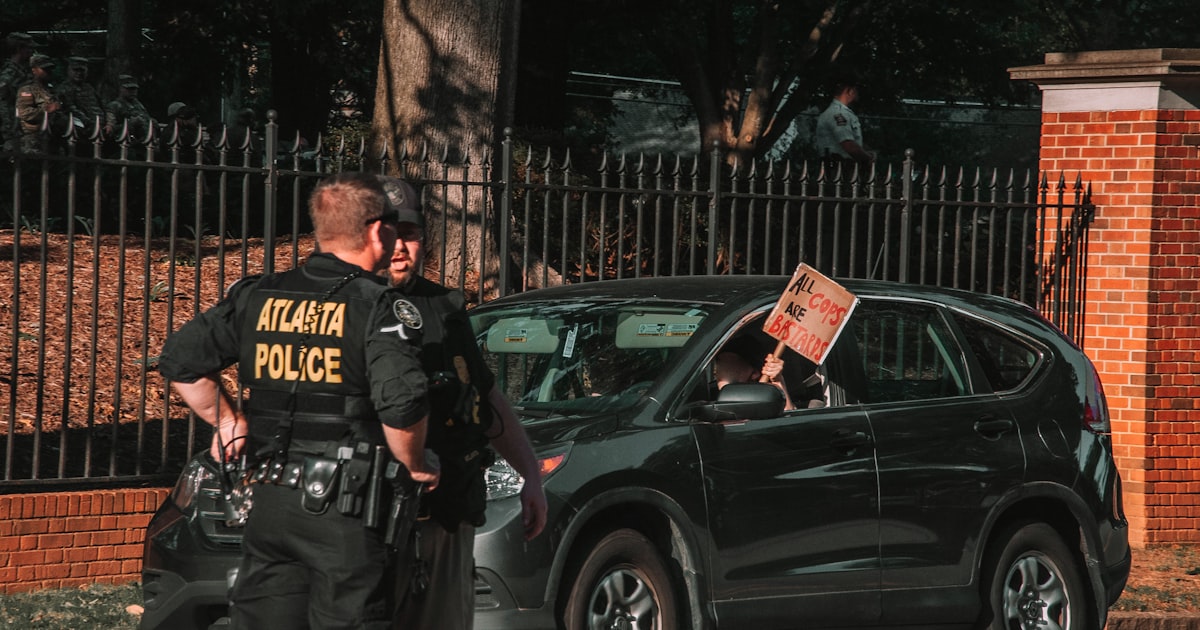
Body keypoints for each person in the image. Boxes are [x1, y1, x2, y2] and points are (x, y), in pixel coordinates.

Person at [158, 172, 441, 630]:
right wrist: (416, 463)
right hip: (347, 511)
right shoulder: (378, 306)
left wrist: (227, 421)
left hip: (268, 502)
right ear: (376, 231)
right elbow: (402, 403)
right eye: (393, 225)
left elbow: (180, 360)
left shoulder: (259, 294)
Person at [379, 175, 547, 630]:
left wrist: (530, 474)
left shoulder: (445, 309)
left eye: (410, 234)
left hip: (445, 515)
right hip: (368, 519)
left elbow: (484, 396)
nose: (399, 248)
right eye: (389, 234)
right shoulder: (349, 305)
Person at [714, 335, 794, 410]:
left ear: (754, 373)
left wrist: (778, 381)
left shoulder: (767, 398)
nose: (718, 370)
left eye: (731, 364)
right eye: (719, 363)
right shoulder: (710, 396)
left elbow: (787, 415)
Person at [814, 71, 874, 170]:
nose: (857, 93)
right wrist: (868, 158)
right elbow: (848, 144)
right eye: (856, 89)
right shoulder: (838, 113)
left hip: (840, 166)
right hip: (839, 168)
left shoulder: (840, 112)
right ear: (850, 91)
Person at [14, 53, 62, 154]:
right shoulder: (27, 89)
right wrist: (47, 109)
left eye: (50, 69)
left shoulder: (52, 89)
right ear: (34, 70)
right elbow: (24, 113)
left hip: (53, 136)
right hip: (34, 138)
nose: (48, 72)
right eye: (44, 69)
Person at [0, 32, 37, 151]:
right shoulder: (10, 72)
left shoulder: (24, 71)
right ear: (19, 49)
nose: (32, 52)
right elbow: (3, 99)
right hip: (14, 125)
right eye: (29, 48)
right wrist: (9, 128)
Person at [55, 56, 104, 130]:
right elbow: (70, 109)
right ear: (69, 70)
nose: (79, 73)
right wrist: (89, 123)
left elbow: (101, 105)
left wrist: (108, 123)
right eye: (76, 70)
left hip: (99, 125)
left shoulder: (89, 88)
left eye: (82, 71)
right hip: (81, 127)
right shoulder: (64, 88)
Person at [104, 74, 153, 140]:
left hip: (144, 140)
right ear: (121, 89)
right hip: (125, 140)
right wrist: (130, 124)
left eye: (135, 89)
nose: (133, 92)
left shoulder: (139, 105)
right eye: (129, 89)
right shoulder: (114, 106)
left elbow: (147, 119)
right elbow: (110, 129)